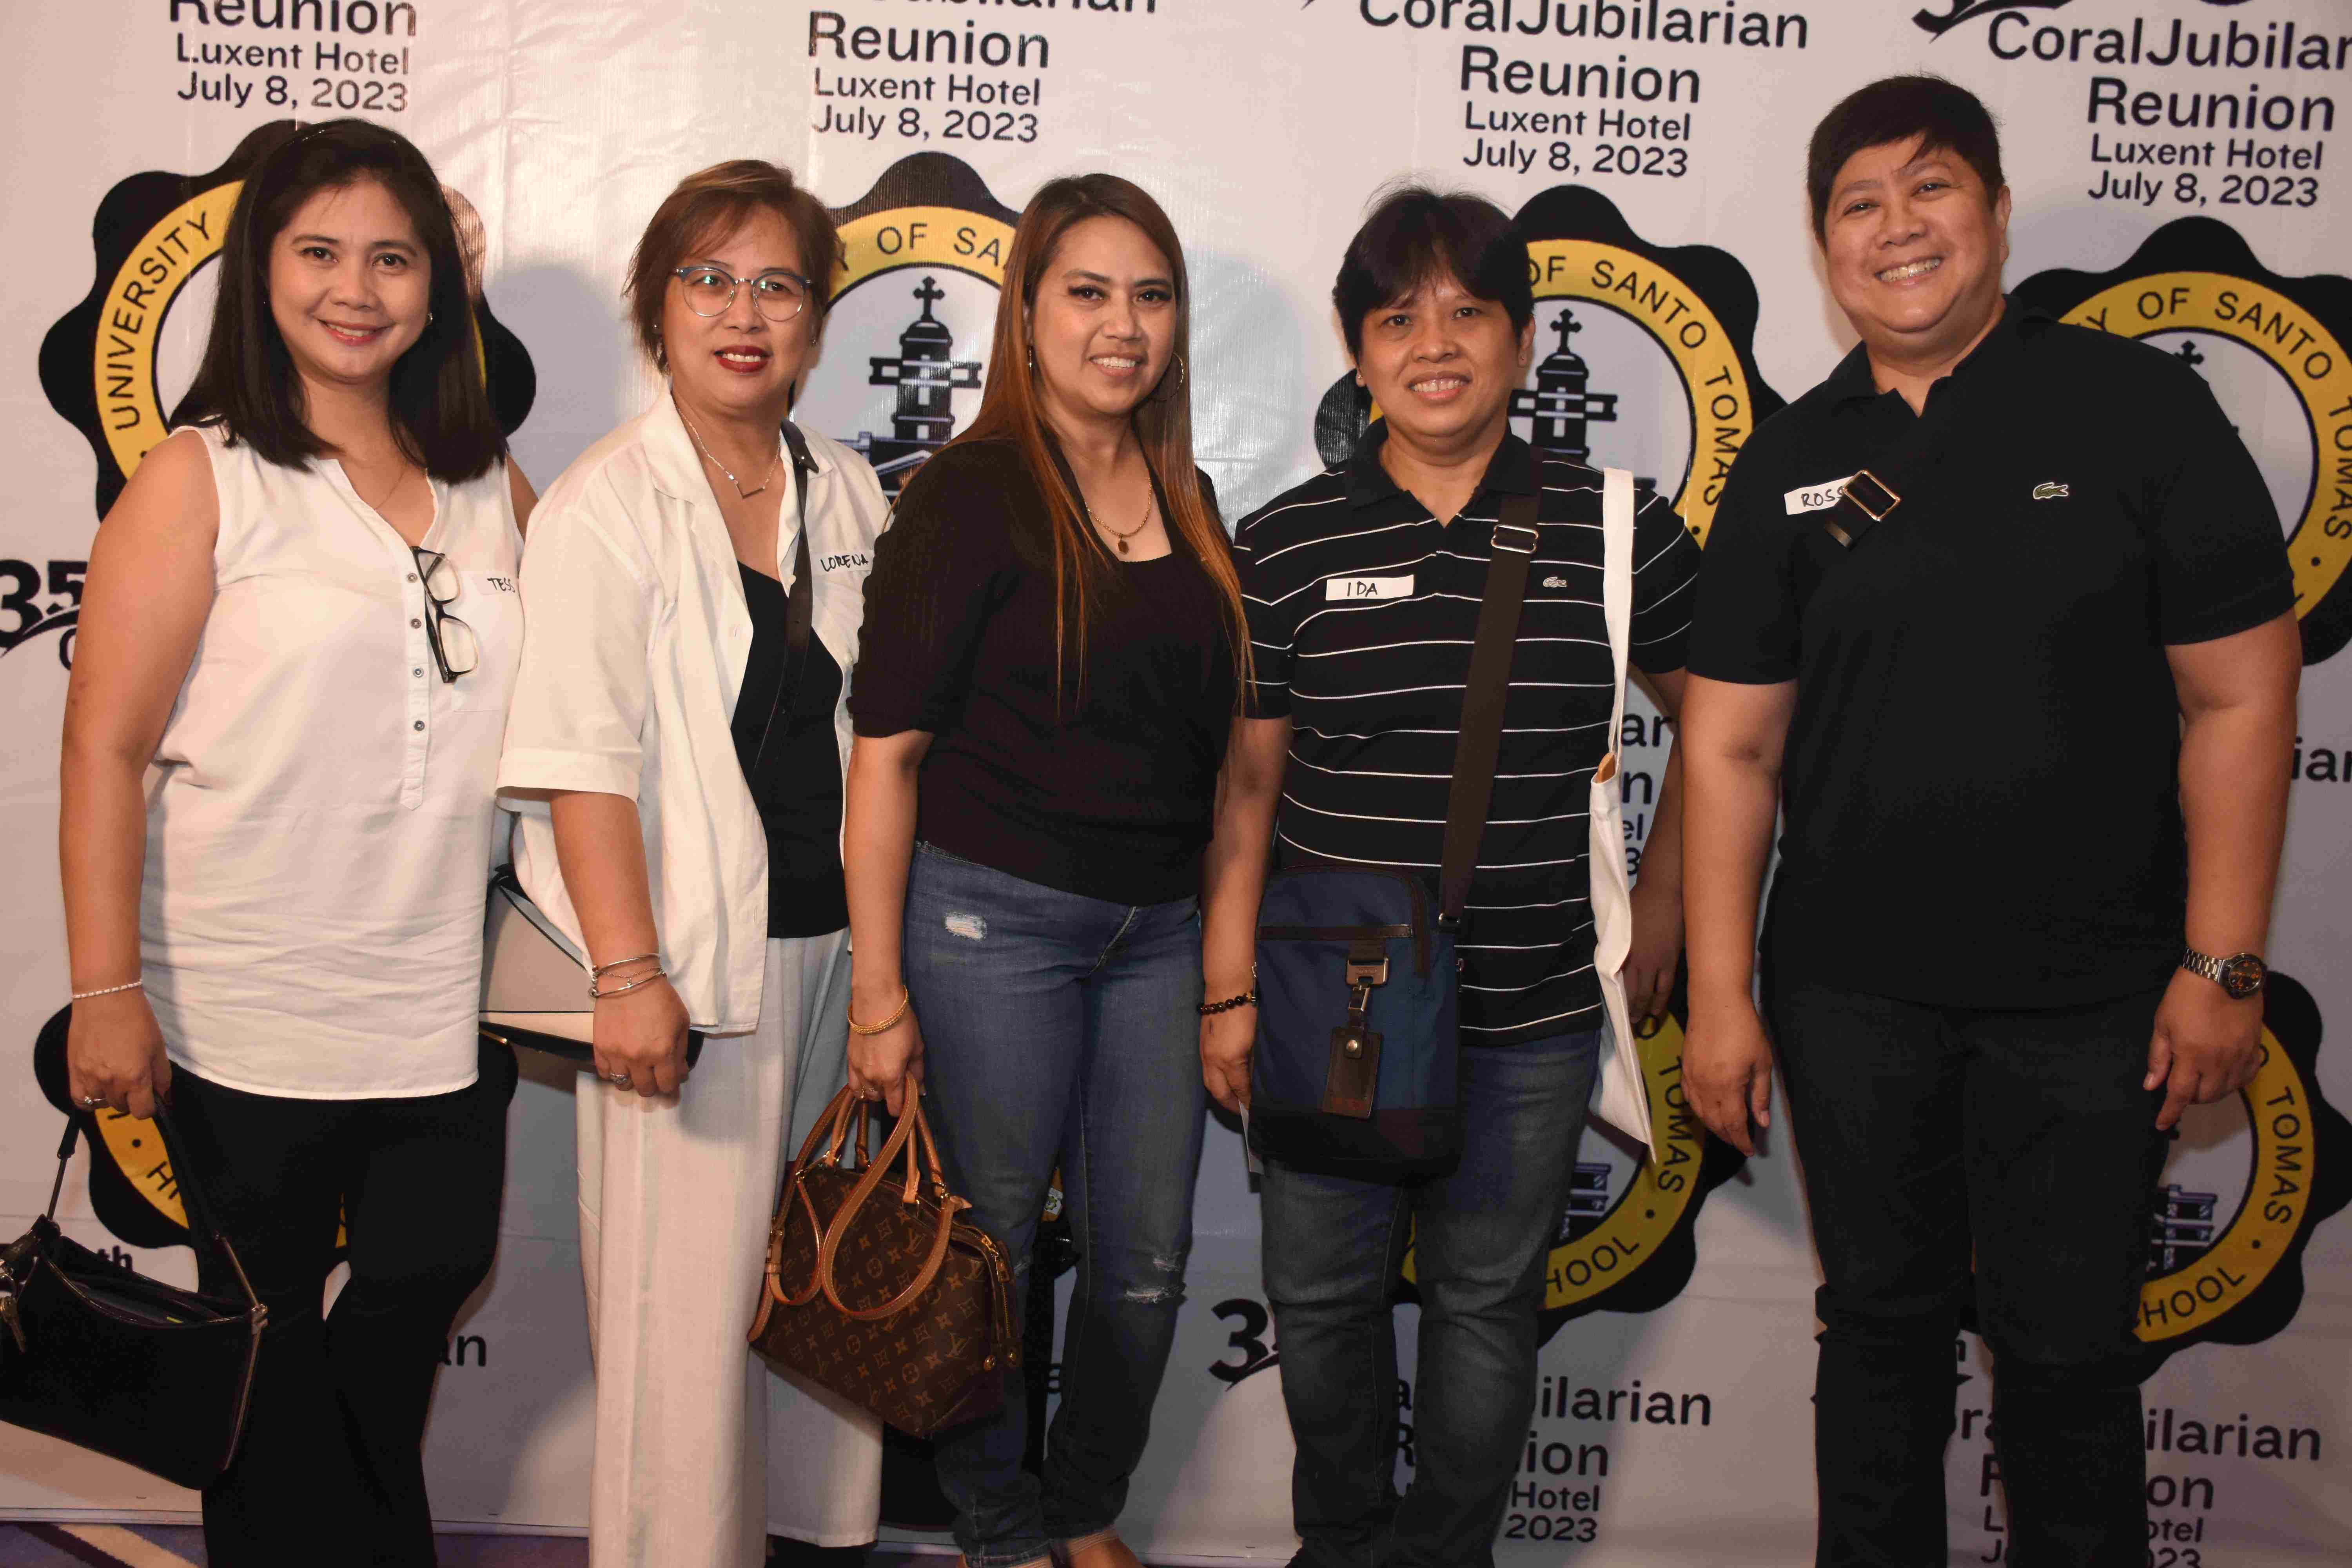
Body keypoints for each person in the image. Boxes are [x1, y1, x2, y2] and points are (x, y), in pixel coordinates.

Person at [1679, 76, 2300, 1568]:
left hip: (2096, 1003)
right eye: (1859, 203)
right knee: (1877, 1339)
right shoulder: (1789, 457)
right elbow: (1730, 749)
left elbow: (2240, 699)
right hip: (1850, 999)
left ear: (2000, 212)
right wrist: (1721, 995)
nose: (1898, 228)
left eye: (1931, 187)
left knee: (2070, 1362)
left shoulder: (2138, 408)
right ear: (1825, 245)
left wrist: (2223, 965)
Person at [1198, 185, 1695, 1568]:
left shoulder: (1619, 526)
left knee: (1485, 1309)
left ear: (1523, 341)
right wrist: (1227, 990)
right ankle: (1341, 1545)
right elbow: (1246, 792)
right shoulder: (1286, 542)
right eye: (1399, 318)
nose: (1436, 345)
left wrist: (1664, 907)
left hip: (1530, 1005)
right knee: (1321, 1306)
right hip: (1331, 1010)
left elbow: (1729, 734)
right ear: (1359, 353)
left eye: (1469, 312)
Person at [58, 118, 532, 1565]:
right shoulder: (202, 477)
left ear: (439, 289)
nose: (355, 289)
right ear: (261, 273)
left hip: (444, 993)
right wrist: (104, 988)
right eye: (319, 251)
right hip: (245, 995)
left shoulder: (492, 483)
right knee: (259, 1347)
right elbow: (104, 749)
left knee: (419, 1289)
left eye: (393, 258)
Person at [842, 173, 1246, 1568]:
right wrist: (881, 994)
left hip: (1161, 937)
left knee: (1146, 1269)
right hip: (988, 926)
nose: (1121, 324)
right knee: (993, 1257)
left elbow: (1229, 765)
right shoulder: (969, 494)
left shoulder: (1190, 497)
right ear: (1025, 316)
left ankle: (1084, 1508)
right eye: (1087, 292)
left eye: (1151, 295)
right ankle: (1001, 1528)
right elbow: (885, 756)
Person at [494, 161, 886, 1567]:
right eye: (708, 280)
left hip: (836, 954)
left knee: (820, 1305)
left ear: (816, 320)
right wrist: (627, 973)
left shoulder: (849, 489)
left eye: (777, 285)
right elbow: (581, 761)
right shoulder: (607, 503)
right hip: (683, 973)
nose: (743, 312)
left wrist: (888, 983)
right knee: (683, 1339)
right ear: (655, 309)